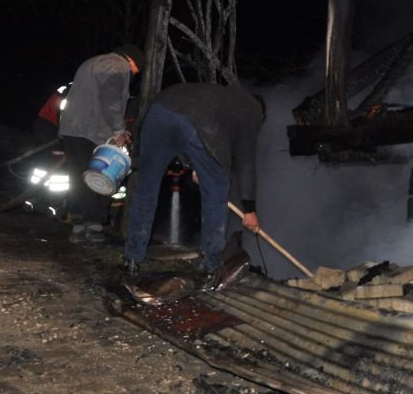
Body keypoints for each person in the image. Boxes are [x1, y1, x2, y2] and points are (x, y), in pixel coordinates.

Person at [121, 82, 264, 279]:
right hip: (197, 120)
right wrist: (249, 209)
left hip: (157, 111)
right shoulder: (253, 112)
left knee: (146, 188)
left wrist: (194, 164)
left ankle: (132, 258)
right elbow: (245, 161)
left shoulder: (225, 96)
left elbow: (179, 133)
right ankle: (210, 262)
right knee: (217, 189)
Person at [58, 44, 143, 244]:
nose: (132, 75)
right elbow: (110, 99)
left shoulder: (91, 62)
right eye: (135, 72)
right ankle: (94, 229)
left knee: (77, 177)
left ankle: (78, 228)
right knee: (100, 177)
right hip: (92, 131)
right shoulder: (117, 65)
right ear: (131, 61)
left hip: (71, 129)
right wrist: (118, 129)